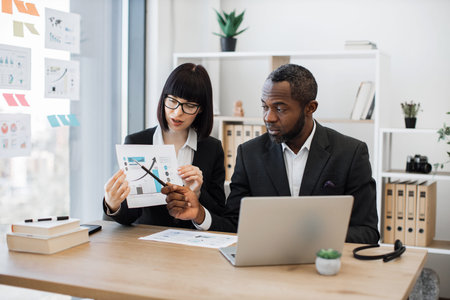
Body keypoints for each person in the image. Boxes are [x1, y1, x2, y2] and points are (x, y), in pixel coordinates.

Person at [162, 63, 380, 244]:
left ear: (310, 108)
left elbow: (368, 233)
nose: (269, 117)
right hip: (266, 271)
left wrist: (311, 237)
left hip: (326, 266)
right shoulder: (250, 154)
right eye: (265, 107)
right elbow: (233, 225)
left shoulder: (351, 153)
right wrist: (199, 213)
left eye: (280, 108)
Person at [103, 63, 226, 229]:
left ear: (201, 109)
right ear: (164, 98)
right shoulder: (136, 142)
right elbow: (131, 215)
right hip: (147, 244)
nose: (177, 113)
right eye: (173, 101)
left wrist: (197, 193)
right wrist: (113, 204)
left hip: (192, 245)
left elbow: (220, 213)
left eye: (189, 105)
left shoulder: (212, 149)